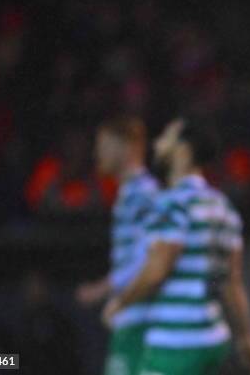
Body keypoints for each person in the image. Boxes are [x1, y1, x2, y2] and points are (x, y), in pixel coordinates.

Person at [102, 118, 250, 375]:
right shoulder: (223, 207)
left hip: (176, 340)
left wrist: (121, 303)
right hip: (214, 338)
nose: (158, 143)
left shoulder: (171, 204)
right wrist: (246, 337)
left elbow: (158, 267)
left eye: (167, 136)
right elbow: (231, 282)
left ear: (183, 150)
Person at [75, 116, 159, 375]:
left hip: (140, 318)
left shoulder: (144, 193)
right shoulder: (128, 193)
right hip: (130, 316)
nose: (96, 153)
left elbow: (150, 257)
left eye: (104, 145)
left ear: (128, 147)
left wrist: (102, 289)